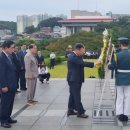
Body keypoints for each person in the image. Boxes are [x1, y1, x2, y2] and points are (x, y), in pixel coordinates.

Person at [67, 43, 100, 118]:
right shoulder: (72, 57)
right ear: (78, 50)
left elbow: (81, 64)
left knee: (72, 95)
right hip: (74, 80)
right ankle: (80, 112)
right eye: (83, 50)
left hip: (76, 79)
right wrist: (95, 64)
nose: (84, 52)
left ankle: (70, 110)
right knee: (77, 96)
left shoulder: (78, 56)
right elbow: (82, 63)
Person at [108, 37, 130, 125]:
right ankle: (127, 114)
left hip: (120, 78)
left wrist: (110, 62)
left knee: (120, 96)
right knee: (128, 96)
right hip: (129, 77)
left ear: (121, 44)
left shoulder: (117, 55)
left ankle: (120, 114)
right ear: (127, 45)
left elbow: (111, 67)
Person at [0, 40, 17, 128]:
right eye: (12, 47)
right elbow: (1, 73)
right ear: (6, 48)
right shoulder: (1, 57)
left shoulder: (9, 56)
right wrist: (3, 86)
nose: (13, 49)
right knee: (5, 103)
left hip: (12, 84)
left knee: (10, 103)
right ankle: (3, 120)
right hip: (6, 86)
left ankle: (8, 117)